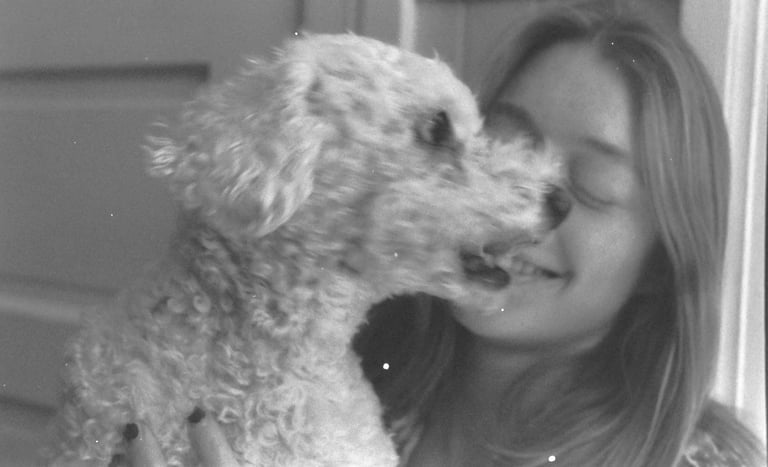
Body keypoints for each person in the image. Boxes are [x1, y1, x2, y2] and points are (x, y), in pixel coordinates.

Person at [118, 1, 765, 466]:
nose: (520, 192)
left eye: (589, 186)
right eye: (502, 137)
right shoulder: (338, 381)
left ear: (660, 264)